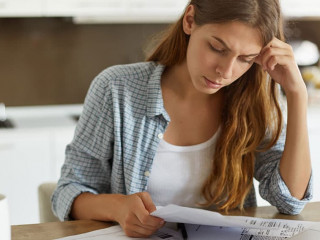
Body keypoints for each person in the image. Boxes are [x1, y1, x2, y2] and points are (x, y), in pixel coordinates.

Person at [52, 0, 313, 238]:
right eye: (217, 47)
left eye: (246, 59)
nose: (226, 71)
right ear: (190, 20)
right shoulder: (117, 89)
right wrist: (118, 207)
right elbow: (68, 191)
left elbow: (289, 201)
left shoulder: (253, 101)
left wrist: (296, 93)